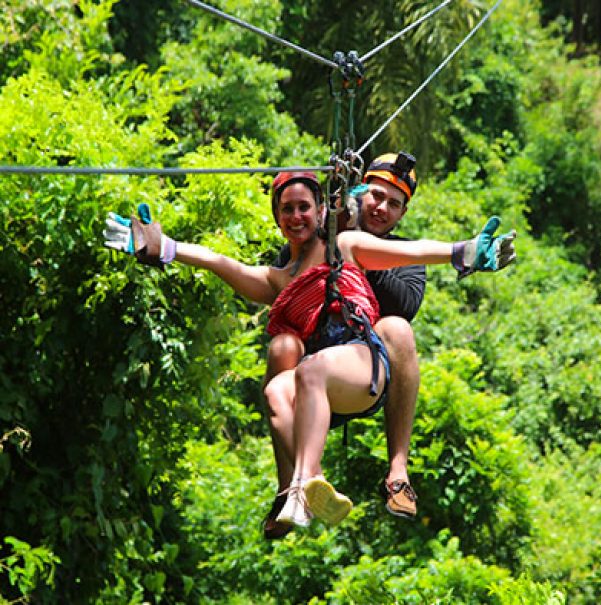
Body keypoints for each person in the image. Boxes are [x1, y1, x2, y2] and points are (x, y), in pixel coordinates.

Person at [103, 168, 516, 531]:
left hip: (360, 365)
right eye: (288, 210)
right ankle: (308, 485)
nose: (297, 216)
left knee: (310, 369)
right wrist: (162, 247)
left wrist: (463, 252)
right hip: (319, 389)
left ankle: (303, 489)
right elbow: (219, 262)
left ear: (321, 212)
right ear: (278, 220)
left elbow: (410, 251)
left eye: (305, 207)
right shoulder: (277, 279)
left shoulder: (345, 246)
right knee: (275, 391)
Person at [263, 152, 425, 540]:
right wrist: (328, 236)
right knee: (281, 346)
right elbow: (286, 272)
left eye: (393, 204)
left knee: (398, 328)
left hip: (361, 374)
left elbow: (404, 302)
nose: (381, 207)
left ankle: (398, 473)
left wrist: (353, 251)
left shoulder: (401, 256)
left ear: (402, 215)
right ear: (359, 193)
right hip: (311, 371)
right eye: (375, 195)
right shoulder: (321, 238)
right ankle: (290, 487)